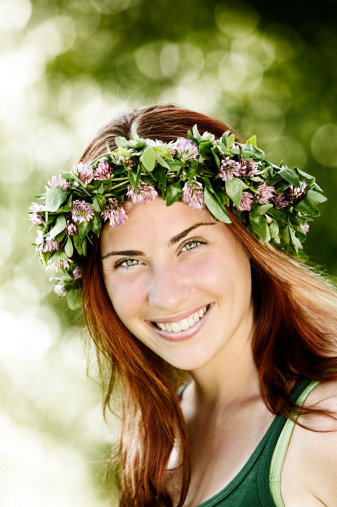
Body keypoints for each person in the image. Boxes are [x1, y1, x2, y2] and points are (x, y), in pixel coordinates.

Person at [29, 104, 337, 507]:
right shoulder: (158, 443)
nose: (167, 295)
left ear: (248, 241)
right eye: (129, 262)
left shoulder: (324, 428)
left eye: (191, 244)